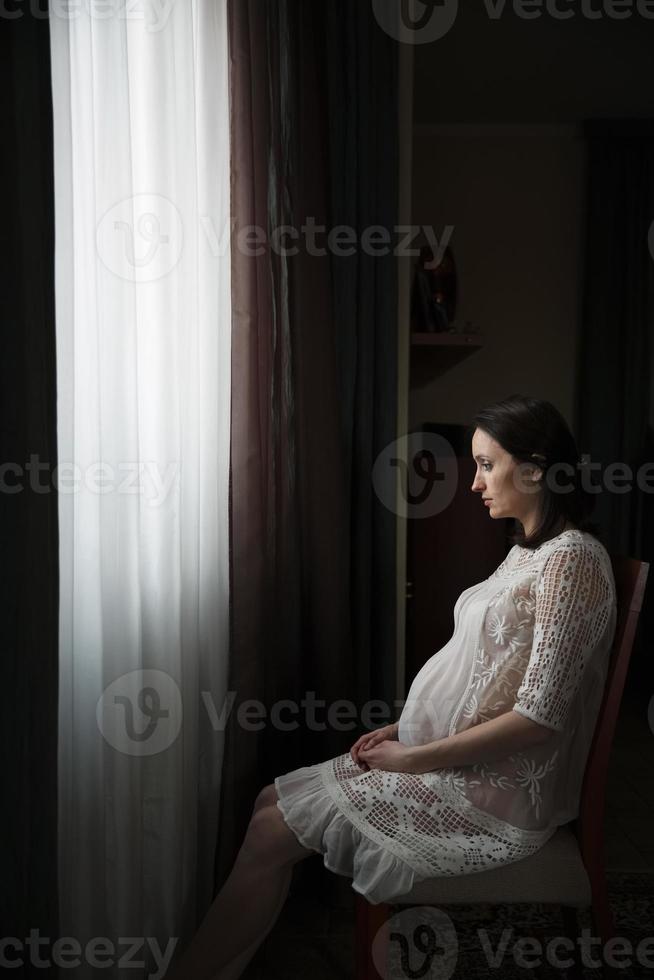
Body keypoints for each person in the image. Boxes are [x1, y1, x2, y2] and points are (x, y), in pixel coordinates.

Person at [165, 393, 618, 980]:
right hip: (463, 768)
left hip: (498, 800)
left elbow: (538, 717)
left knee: (270, 825)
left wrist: (413, 757)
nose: (474, 483)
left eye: (486, 464)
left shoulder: (571, 560)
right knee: (269, 804)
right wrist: (406, 730)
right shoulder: (528, 555)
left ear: (534, 467)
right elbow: (492, 679)